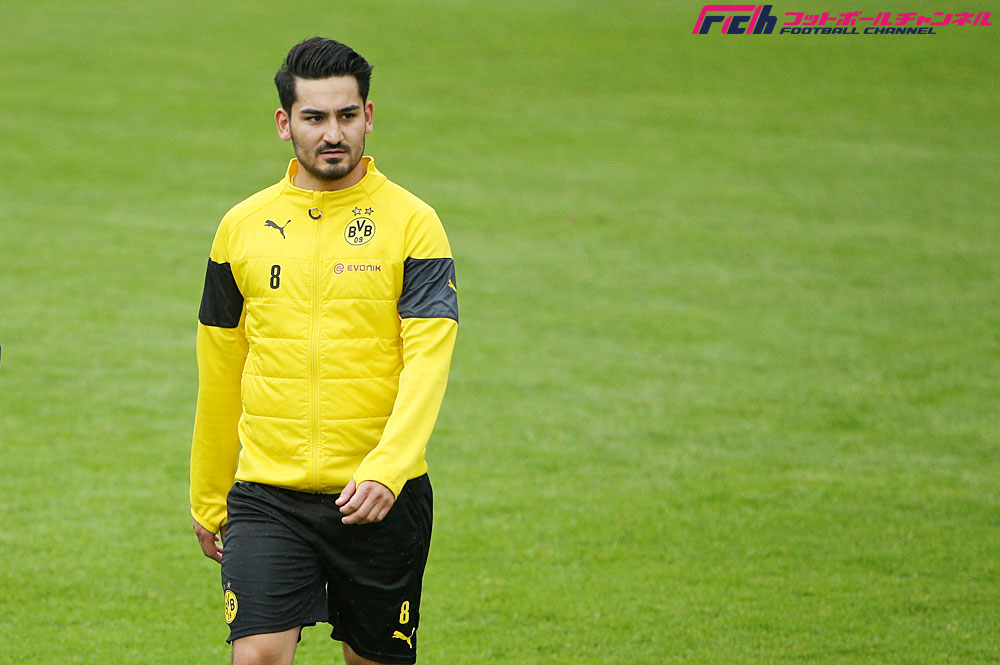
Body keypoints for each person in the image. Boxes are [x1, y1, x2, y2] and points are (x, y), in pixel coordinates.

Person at [189, 37, 458, 665]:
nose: (332, 134)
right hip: (267, 495)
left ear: (369, 116)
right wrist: (209, 491)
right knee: (257, 655)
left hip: (378, 498)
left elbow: (428, 361)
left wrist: (389, 468)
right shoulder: (240, 228)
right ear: (285, 124)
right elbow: (220, 366)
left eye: (346, 115)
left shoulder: (414, 224)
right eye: (314, 117)